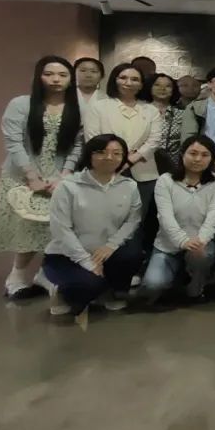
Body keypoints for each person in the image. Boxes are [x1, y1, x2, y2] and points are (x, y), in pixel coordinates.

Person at [0, 56, 82, 297]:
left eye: (62, 75)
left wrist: (65, 175)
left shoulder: (78, 108)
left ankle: (45, 274)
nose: (56, 79)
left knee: (56, 228)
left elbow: (78, 145)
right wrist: (31, 176)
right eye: (49, 74)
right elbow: (13, 142)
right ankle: (16, 276)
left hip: (58, 177)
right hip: (22, 176)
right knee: (27, 227)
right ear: (38, 77)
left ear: (70, 79)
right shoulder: (21, 104)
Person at [43, 134, 142, 317]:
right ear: (89, 154)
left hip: (104, 252)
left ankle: (110, 289)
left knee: (131, 254)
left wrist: (111, 245)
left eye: (117, 153)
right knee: (89, 285)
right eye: (101, 152)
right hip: (66, 255)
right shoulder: (68, 186)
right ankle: (61, 290)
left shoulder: (129, 186)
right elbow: (61, 230)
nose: (109, 157)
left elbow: (132, 220)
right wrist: (86, 262)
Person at [84, 63, 162, 249]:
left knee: (137, 219)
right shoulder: (99, 107)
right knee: (104, 217)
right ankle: (100, 256)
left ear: (142, 84)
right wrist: (116, 160)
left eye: (135, 79)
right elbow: (93, 139)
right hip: (106, 170)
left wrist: (129, 160)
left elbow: (154, 140)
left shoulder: (150, 110)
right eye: (123, 78)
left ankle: (132, 259)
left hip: (143, 172)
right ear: (115, 80)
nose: (129, 82)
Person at [140, 135, 215, 303]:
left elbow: (213, 216)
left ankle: (197, 284)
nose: (198, 159)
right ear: (182, 154)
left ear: (212, 158)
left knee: (201, 256)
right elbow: (165, 217)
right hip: (167, 245)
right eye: (193, 153)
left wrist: (200, 241)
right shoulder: (165, 180)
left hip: (200, 244)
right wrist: (183, 241)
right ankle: (178, 275)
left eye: (205, 155)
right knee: (153, 284)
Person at [144, 73, 184, 175]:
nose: (162, 89)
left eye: (168, 86)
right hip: (143, 162)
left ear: (173, 90)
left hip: (173, 165)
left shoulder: (182, 114)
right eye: (157, 85)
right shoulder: (140, 110)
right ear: (150, 87)